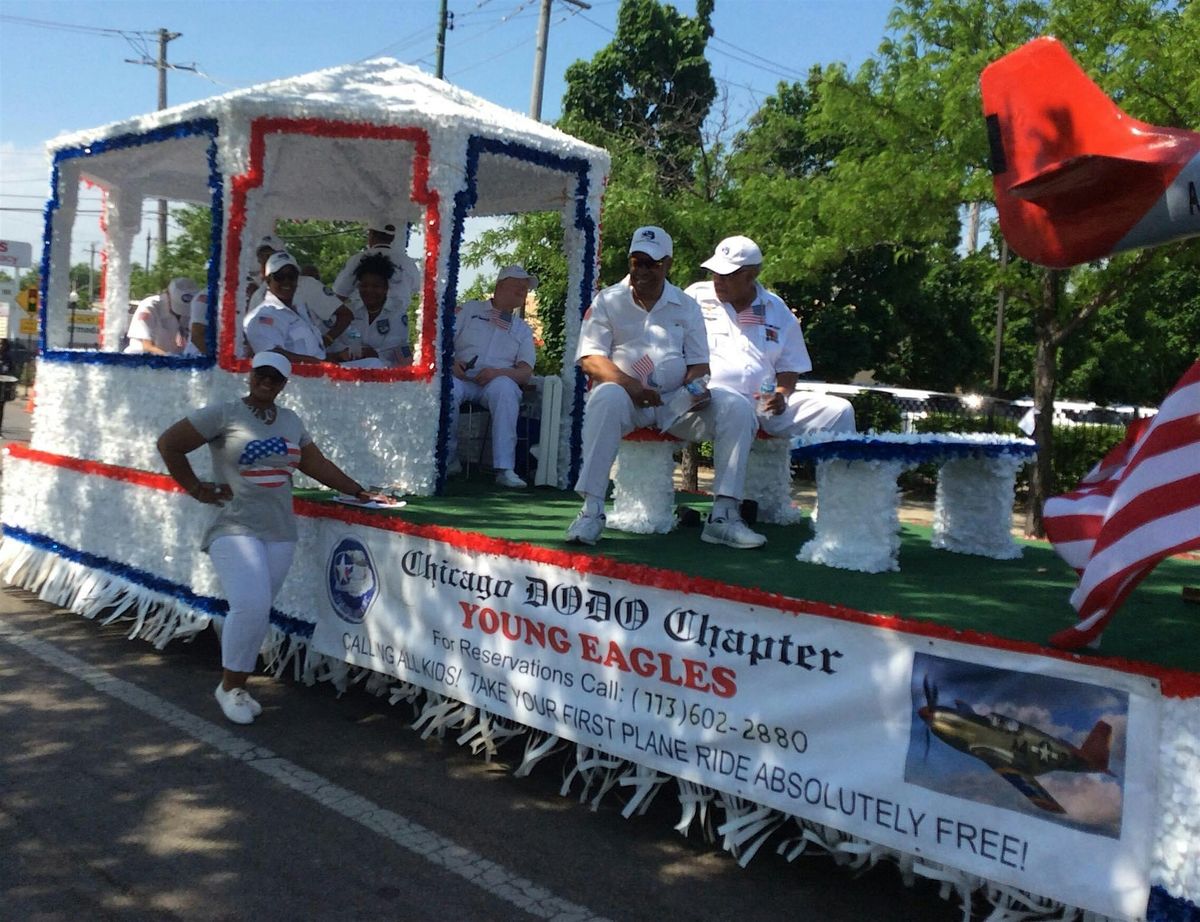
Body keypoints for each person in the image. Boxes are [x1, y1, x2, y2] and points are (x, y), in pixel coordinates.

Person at [156, 352, 388, 725]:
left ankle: (239, 686)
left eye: (276, 378)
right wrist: (197, 488)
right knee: (250, 603)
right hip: (232, 526)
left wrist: (359, 491)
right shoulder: (224, 413)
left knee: (259, 609)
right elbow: (169, 443)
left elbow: (315, 464)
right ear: (251, 375)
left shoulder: (291, 420)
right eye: (262, 374)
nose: (268, 381)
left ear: (284, 383)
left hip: (279, 530)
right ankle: (230, 688)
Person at [566, 226, 766, 549]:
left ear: (668, 264)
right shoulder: (608, 300)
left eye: (652, 263)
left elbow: (700, 365)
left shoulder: (687, 306)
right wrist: (630, 384)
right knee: (605, 395)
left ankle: (723, 516)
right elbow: (590, 358)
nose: (643, 270)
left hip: (674, 403)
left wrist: (695, 389)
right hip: (626, 399)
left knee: (736, 407)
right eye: (637, 261)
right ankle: (591, 511)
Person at [685, 235, 856, 438]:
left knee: (839, 410)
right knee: (737, 409)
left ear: (751, 275)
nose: (717, 281)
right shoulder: (695, 297)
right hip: (712, 401)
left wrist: (781, 395)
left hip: (763, 403)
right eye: (715, 273)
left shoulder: (776, 309)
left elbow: (789, 367)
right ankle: (731, 471)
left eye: (726, 275)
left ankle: (836, 470)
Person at [446, 265, 537, 488]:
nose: (523, 292)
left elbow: (525, 372)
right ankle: (447, 460)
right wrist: (450, 362)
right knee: (446, 388)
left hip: (494, 382)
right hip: (461, 378)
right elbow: (441, 342)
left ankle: (504, 469)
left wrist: (497, 373)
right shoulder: (469, 310)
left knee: (506, 389)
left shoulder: (522, 328)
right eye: (518, 285)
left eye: (525, 289)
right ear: (499, 286)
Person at [248, 235, 351, 351]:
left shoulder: (309, 285)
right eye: (262, 257)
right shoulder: (257, 296)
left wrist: (325, 342)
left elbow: (345, 314)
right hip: (278, 361)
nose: (266, 261)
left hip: (323, 357)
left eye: (271, 255)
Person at [243, 252, 329, 364]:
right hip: (292, 380)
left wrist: (335, 357)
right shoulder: (262, 315)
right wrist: (320, 364)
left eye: (291, 276)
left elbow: (311, 352)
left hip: (318, 377)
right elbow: (272, 355)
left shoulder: (299, 309)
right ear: (268, 281)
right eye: (279, 277)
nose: (286, 281)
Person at [333, 252, 412, 367]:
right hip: (349, 373)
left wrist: (373, 354)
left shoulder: (397, 313)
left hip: (385, 375)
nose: (369, 291)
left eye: (376, 286)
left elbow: (394, 349)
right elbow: (338, 343)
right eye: (364, 286)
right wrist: (345, 353)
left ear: (386, 288)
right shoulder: (349, 311)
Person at [331, 218, 420, 312]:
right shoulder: (408, 262)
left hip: (362, 317)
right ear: (392, 238)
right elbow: (416, 288)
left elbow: (340, 292)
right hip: (397, 319)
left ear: (371, 235)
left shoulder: (358, 259)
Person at [122, 277, 198, 355]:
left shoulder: (192, 311)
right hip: (139, 359)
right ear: (167, 294)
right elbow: (147, 346)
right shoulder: (149, 306)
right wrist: (171, 359)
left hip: (169, 360)